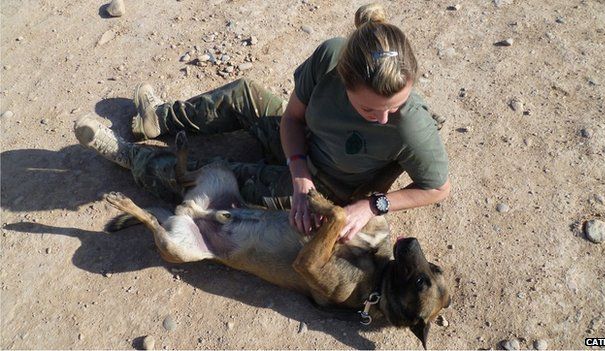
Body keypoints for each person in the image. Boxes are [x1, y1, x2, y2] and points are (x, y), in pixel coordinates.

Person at [75, 3, 450, 242]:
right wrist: (298, 166)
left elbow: (437, 188)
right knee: (243, 93)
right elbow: (291, 118)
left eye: (395, 105)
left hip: (328, 184)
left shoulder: (410, 126)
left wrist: (371, 206)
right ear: (344, 78)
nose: (384, 118)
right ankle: (158, 120)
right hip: (305, 148)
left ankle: (131, 157)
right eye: (370, 110)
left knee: (216, 178)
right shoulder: (331, 57)